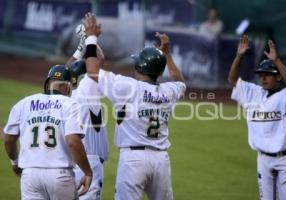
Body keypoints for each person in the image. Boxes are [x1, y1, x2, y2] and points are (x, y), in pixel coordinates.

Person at [82, 13, 186, 200]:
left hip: (133, 161)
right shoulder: (168, 91)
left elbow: (92, 71)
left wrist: (91, 37)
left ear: (139, 67)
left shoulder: (127, 87)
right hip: (161, 161)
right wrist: (167, 54)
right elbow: (180, 81)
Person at [3, 65, 93, 200]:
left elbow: (8, 139)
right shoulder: (70, 104)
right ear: (68, 86)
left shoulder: (23, 103)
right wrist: (87, 172)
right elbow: (73, 142)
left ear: (47, 83)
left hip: (30, 175)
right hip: (60, 175)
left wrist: (15, 162)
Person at [228, 35, 286, 200]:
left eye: (268, 74)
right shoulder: (253, 92)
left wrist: (277, 61)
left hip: (285, 161)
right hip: (263, 160)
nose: (263, 78)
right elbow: (232, 80)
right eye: (261, 74)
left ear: (278, 77)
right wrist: (239, 55)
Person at [69, 59, 109, 200]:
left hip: (70, 160)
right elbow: (98, 62)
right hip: (88, 162)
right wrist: (91, 40)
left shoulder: (65, 99)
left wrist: (78, 52)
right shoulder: (87, 94)